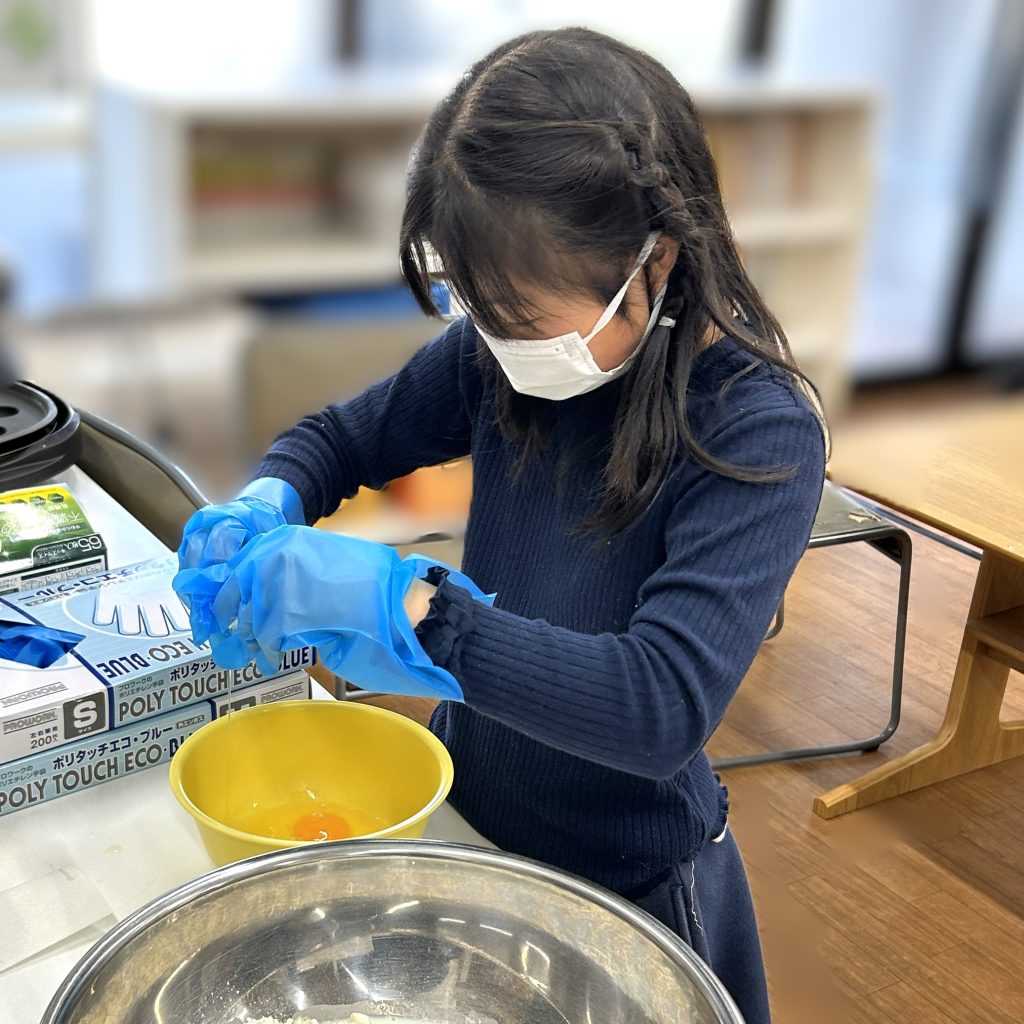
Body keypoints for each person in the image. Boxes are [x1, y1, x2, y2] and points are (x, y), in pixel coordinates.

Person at [175, 27, 826, 1024]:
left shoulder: (756, 433)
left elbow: (658, 708)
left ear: (654, 261)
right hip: (471, 821)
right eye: (475, 307)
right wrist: (266, 500)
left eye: (520, 315)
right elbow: (338, 438)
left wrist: (414, 612)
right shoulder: (496, 356)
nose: (493, 339)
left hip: (632, 882)